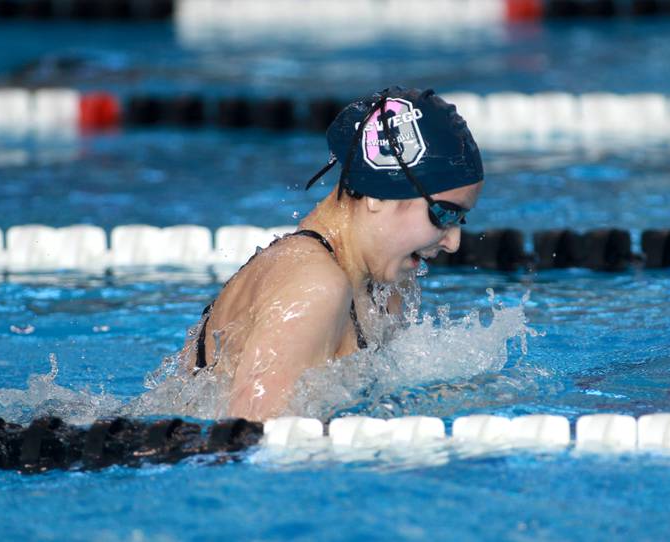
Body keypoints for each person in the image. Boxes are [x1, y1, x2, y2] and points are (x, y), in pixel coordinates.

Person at [182, 86, 484, 421]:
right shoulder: (313, 287)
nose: (453, 242)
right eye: (443, 214)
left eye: (461, 219)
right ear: (379, 193)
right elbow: (250, 445)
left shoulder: (390, 286)